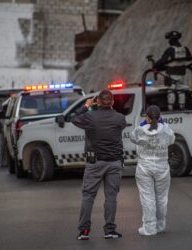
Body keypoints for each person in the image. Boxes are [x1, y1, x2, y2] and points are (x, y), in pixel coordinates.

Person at [72, 90, 126, 240]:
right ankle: (109, 230)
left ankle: (84, 231)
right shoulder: (120, 118)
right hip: (114, 162)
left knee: (88, 196)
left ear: (98, 102)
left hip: (94, 162)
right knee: (111, 196)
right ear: (113, 102)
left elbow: (74, 119)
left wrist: (87, 106)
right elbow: (116, 121)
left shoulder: (89, 116)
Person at [130, 105, 175, 236]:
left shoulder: (140, 130)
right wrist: (162, 123)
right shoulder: (166, 130)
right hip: (162, 168)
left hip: (144, 167)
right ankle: (160, 225)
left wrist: (144, 124)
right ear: (160, 116)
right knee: (161, 197)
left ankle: (150, 228)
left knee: (147, 197)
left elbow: (132, 137)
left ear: (146, 117)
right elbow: (172, 139)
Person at [154, 31, 191, 110]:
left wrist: (155, 65)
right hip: (181, 75)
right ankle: (182, 107)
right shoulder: (185, 49)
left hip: (172, 74)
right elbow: (189, 57)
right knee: (181, 91)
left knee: (171, 91)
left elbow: (162, 60)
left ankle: (170, 109)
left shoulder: (170, 50)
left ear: (171, 40)